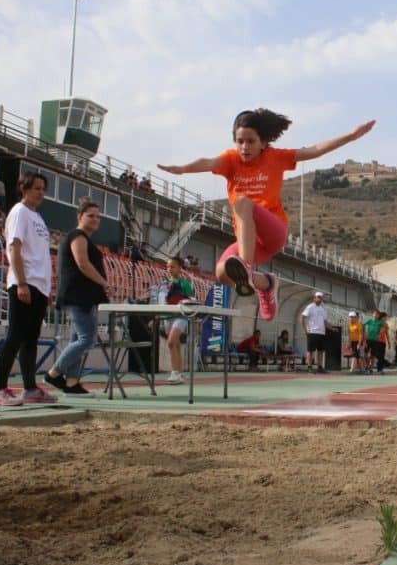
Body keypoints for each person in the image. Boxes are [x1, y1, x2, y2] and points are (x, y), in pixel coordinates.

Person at [158, 109, 375, 322]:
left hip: (273, 232)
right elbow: (208, 162)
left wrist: (350, 136)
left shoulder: (276, 157)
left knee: (242, 202)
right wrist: (183, 169)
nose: (244, 147)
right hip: (251, 242)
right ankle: (267, 285)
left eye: (250, 141)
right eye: (239, 141)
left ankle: (246, 266)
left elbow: (314, 150)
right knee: (222, 272)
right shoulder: (231, 160)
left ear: (263, 143)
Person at [0, 172, 57, 406]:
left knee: (31, 339)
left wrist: (46, 288)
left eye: (43, 189)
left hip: (39, 284)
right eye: (36, 188)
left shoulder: (37, 217)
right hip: (25, 282)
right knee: (15, 336)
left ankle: (30, 388)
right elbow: (14, 249)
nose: (40, 193)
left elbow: (40, 254)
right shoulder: (19, 212)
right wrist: (21, 282)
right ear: (24, 188)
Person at [43, 199, 110, 397]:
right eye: (91, 215)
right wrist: (103, 282)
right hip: (77, 296)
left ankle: (72, 383)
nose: (96, 219)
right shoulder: (78, 236)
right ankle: (53, 373)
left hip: (84, 297)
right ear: (79, 217)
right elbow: (82, 263)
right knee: (86, 339)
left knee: (77, 339)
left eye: (98, 216)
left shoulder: (84, 238)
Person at [163, 256, 195, 384]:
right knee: (175, 344)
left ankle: (174, 373)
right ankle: (180, 374)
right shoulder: (166, 283)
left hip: (181, 316)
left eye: (172, 266)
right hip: (168, 316)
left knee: (171, 342)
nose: (169, 269)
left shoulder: (185, 283)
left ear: (180, 268)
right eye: (168, 267)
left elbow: (192, 300)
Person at [300, 291, 331, 373]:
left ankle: (320, 367)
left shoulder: (323, 309)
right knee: (310, 351)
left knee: (320, 351)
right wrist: (305, 330)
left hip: (321, 333)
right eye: (318, 297)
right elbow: (302, 317)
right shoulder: (310, 307)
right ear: (314, 298)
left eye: (321, 297)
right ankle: (309, 367)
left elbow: (325, 322)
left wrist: (332, 328)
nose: (319, 299)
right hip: (312, 332)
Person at [363, 309, 389, 375]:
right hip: (368, 339)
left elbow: (385, 326)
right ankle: (367, 366)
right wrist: (364, 336)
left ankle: (371, 368)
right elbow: (362, 326)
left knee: (373, 355)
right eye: (374, 314)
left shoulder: (380, 322)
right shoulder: (369, 321)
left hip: (376, 341)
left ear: (378, 315)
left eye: (377, 314)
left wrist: (380, 334)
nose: (375, 315)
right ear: (372, 314)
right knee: (365, 354)